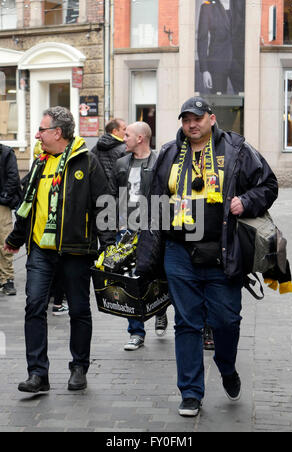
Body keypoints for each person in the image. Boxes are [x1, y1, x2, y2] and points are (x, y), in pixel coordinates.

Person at [135, 96, 278, 416]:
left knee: (227, 320)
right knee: (186, 323)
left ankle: (226, 366)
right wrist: (145, 254)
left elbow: (268, 185)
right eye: (186, 119)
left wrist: (246, 201)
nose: (191, 124)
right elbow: (153, 202)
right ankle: (190, 392)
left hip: (222, 251)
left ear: (211, 119)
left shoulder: (237, 150)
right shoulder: (170, 154)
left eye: (197, 118)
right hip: (179, 251)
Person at [4, 106, 113, 394]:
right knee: (34, 306)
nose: (37, 134)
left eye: (42, 129)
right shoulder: (40, 163)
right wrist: (16, 238)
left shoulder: (86, 162)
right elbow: (28, 206)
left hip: (76, 249)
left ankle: (79, 367)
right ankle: (38, 374)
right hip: (40, 249)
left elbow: (104, 203)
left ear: (58, 133)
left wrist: (110, 246)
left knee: (78, 309)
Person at [109, 121, 168, 351]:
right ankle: (136, 332)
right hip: (126, 231)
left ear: (140, 138)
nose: (124, 139)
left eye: (127, 135)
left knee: (157, 276)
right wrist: (115, 224)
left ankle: (160, 310)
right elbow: (113, 195)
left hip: (152, 230)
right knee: (129, 280)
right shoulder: (121, 163)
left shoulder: (158, 163)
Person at [197, 0, 245, 94]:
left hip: (240, 63)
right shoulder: (207, 7)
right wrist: (205, 70)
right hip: (217, 63)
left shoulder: (242, 4)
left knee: (245, 102)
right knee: (217, 103)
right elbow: (202, 39)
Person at [0, 143, 21, 296]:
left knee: (4, 240)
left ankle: (7, 279)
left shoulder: (6, 152)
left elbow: (13, 177)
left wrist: (4, 197)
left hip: (1, 205)